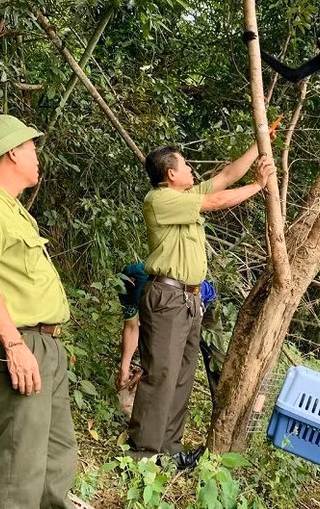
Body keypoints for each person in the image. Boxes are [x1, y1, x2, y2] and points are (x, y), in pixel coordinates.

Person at [0, 114, 77, 509]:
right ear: (12, 153)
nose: (37, 155)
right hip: (20, 343)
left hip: (45, 345)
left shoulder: (12, 210)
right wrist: (15, 345)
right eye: (31, 147)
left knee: (56, 458)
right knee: (19, 465)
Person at [129, 143, 274, 468]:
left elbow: (225, 176)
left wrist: (260, 141)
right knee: (162, 374)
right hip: (167, 297)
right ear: (170, 174)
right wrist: (258, 185)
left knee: (182, 375)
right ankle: (142, 456)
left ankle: (169, 450)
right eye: (185, 166)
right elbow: (217, 200)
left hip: (190, 299)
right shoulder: (161, 199)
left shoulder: (185, 196)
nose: (191, 170)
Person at [116, 263, 224, 404]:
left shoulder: (160, 285)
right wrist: (124, 367)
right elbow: (131, 327)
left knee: (215, 361)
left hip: (201, 301)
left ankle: (224, 404)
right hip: (172, 308)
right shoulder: (125, 289)